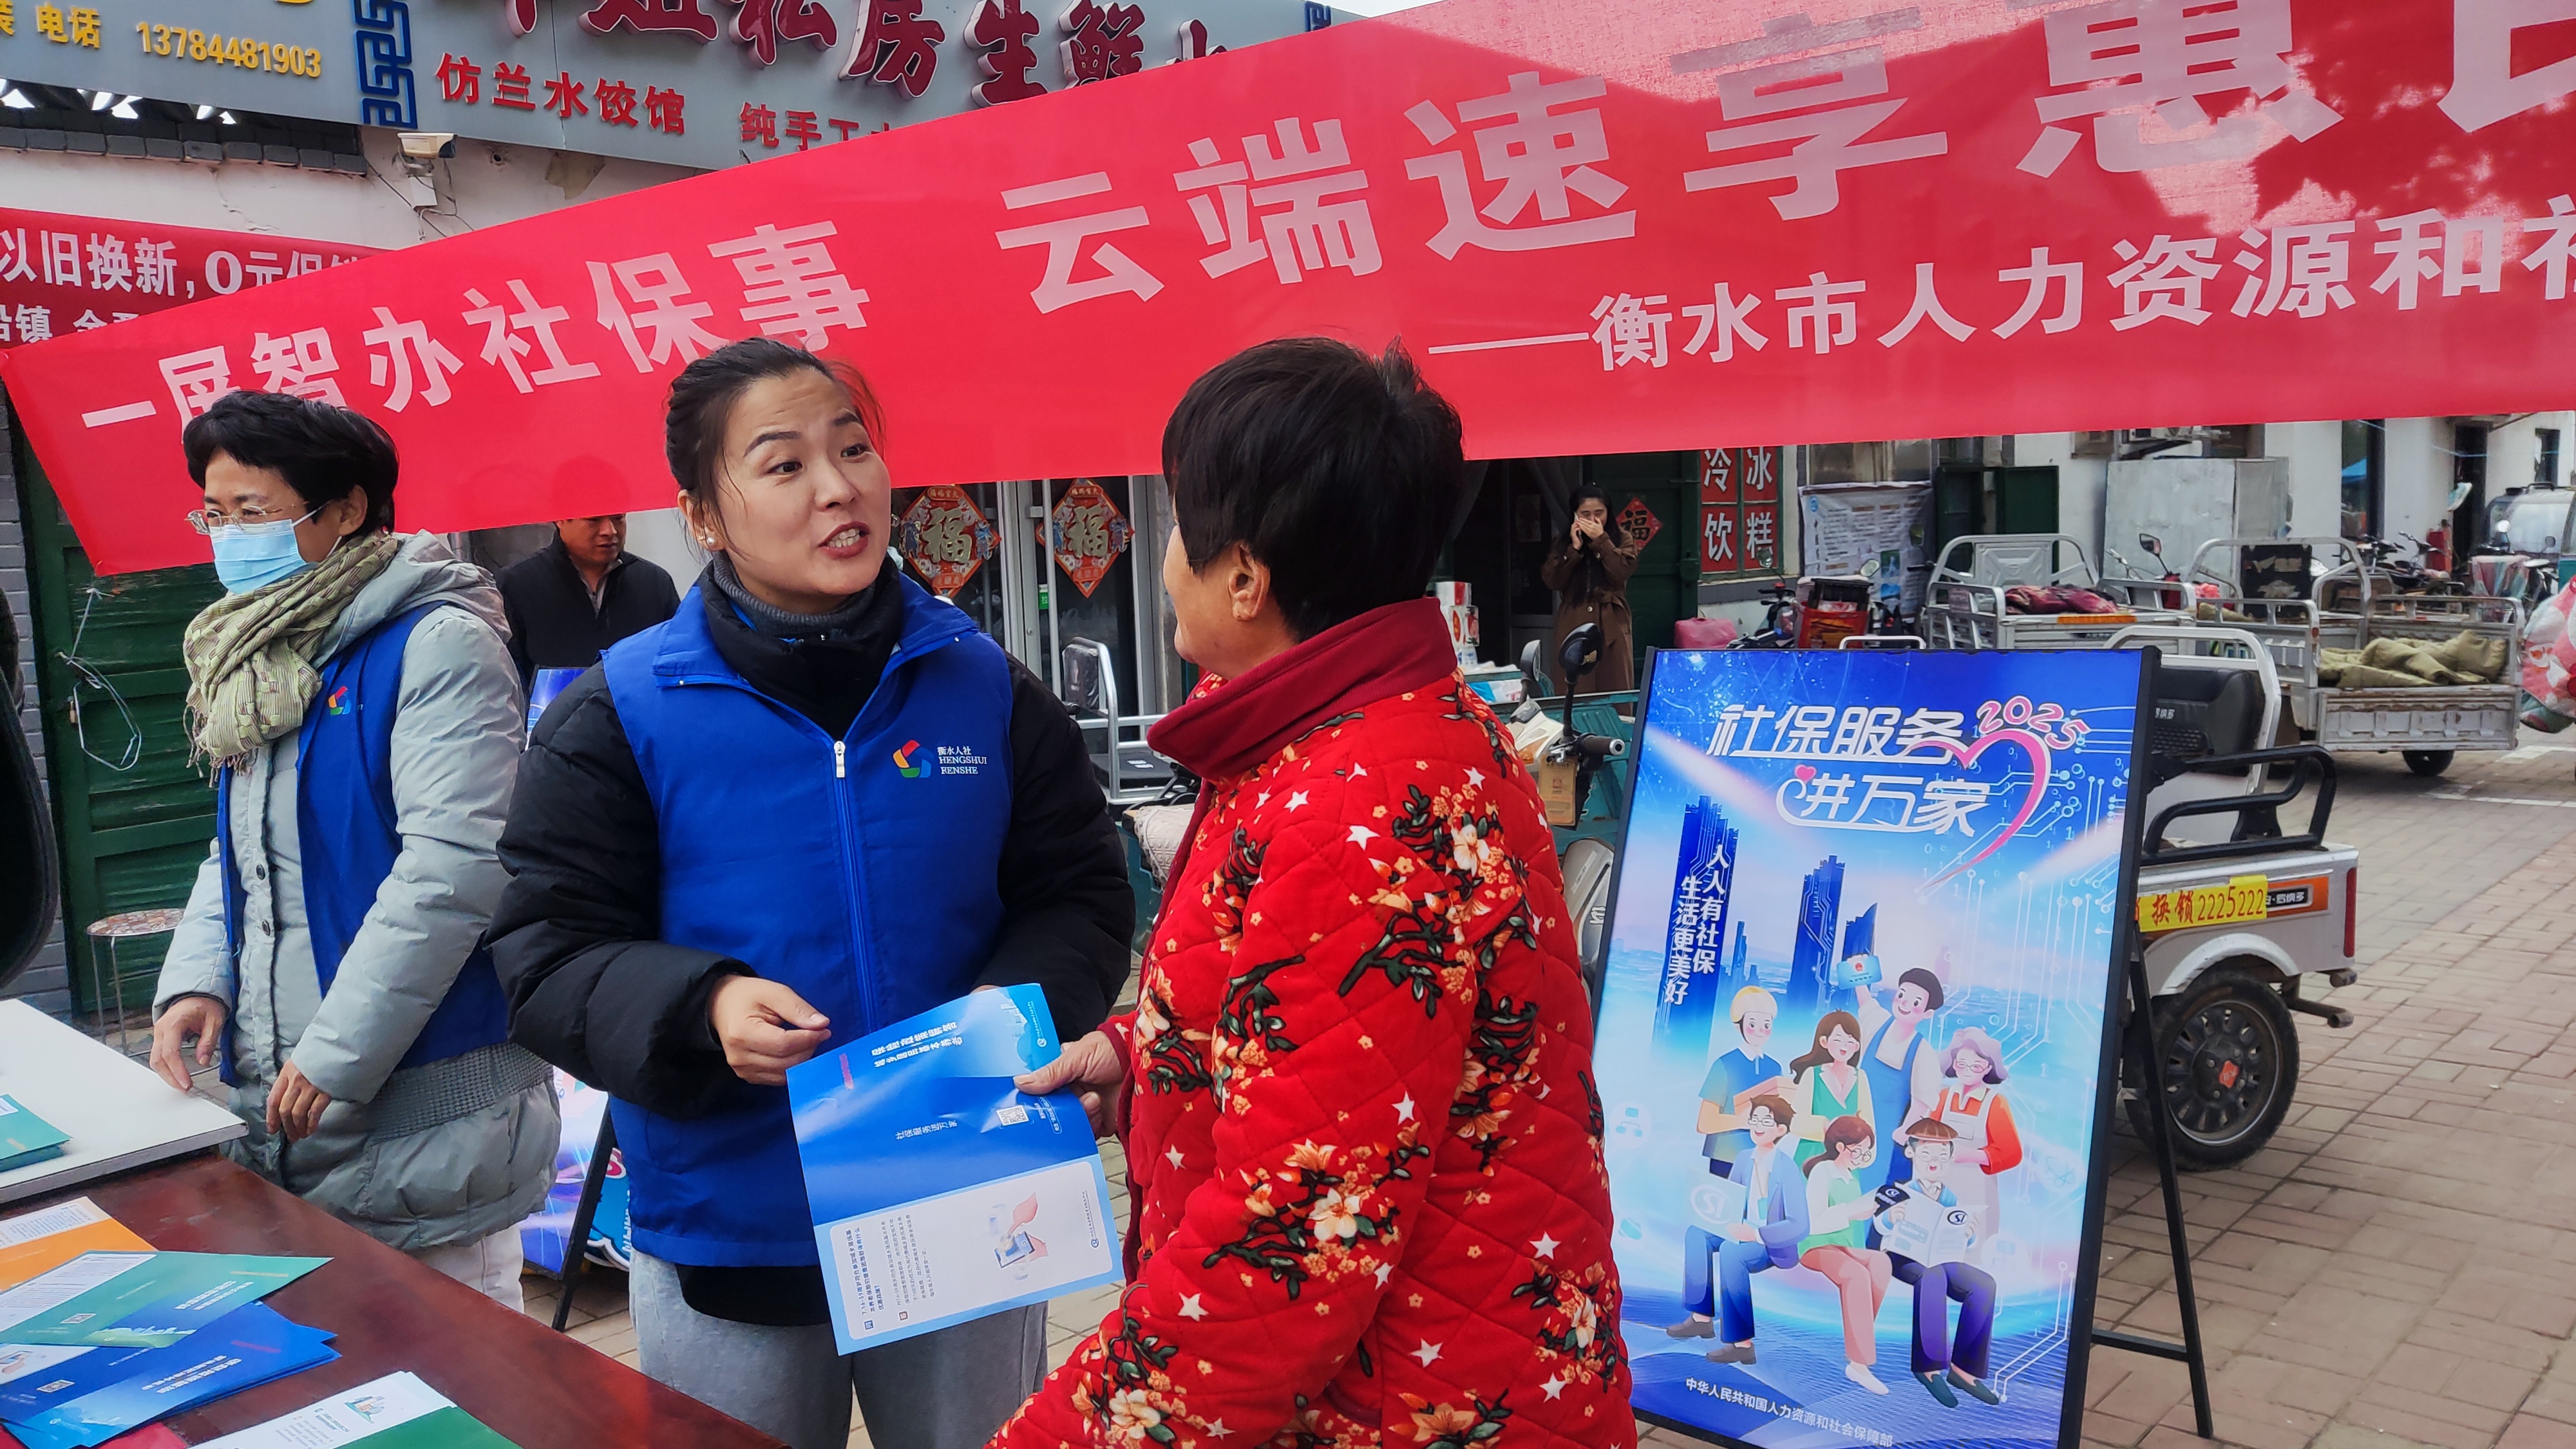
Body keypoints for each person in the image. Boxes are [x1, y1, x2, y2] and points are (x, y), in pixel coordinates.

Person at [487, 338, 1132, 1449]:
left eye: (854, 449)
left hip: (964, 1188)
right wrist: (702, 1005)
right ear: (702, 516)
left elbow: (1079, 893)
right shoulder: (620, 712)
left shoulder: (983, 685)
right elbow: (547, 952)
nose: (838, 488)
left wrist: (1013, 1008)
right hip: (734, 1223)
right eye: (784, 465)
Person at [998, 339, 1633, 1448]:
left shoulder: (1355, 800)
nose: (1165, 565)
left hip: (1402, 1406)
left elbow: (1286, 1243)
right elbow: (1349, 1040)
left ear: (1245, 577)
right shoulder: (1376, 732)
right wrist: (1153, 1052)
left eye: (1179, 529)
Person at [147, 389, 558, 1307]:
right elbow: (240, 851)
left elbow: (455, 869)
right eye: (214, 514)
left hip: (421, 1121)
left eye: (252, 512)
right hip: (289, 1114)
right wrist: (199, 978)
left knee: (461, 1371)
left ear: (346, 510)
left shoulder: (438, 643)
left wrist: (336, 1054)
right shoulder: (265, 654)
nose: (228, 536)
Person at [1873, 1119, 2002, 1409]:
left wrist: (1968, 1234)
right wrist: (1891, 1218)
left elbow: (1960, 1239)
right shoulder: (1899, 1190)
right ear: (1911, 1153)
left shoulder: (1950, 1196)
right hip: (1902, 1256)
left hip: (1940, 1258)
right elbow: (1878, 1225)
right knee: (1931, 1277)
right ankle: (1928, 1368)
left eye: (1943, 1156)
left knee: (1983, 1284)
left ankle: (1964, 1369)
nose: (1935, 1162)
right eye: (1927, 1154)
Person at [1671, 1095, 1806, 1364]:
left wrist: (1756, 1234)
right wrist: (1716, 1218)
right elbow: (1730, 1200)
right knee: (1696, 1233)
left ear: (1781, 1129)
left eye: (1766, 1121)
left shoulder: (1787, 1168)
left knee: (1731, 1253)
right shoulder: (1744, 1158)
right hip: (1739, 1229)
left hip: (1769, 1242)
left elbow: (1800, 1225)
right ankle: (1701, 1318)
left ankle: (1742, 1345)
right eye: (1755, 1119)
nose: (1758, 1125)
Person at [494, 513, 679, 691]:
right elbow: (507, 676)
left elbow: (676, 659)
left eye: (618, 518)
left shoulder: (654, 583)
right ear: (560, 519)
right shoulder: (517, 584)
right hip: (553, 711)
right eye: (594, 520)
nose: (610, 531)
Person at [1798, 1115, 1893, 1395]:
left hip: (1841, 1246)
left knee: (1880, 1262)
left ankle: (1858, 1339)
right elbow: (1813, 1222)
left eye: (1866, 1152)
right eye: (1859, 1151)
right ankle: (1859, 1365)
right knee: (1856, 1273)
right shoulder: (1823, 1171)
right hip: (1815, 1246)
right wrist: (1852, 1212)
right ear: (1841, 1147)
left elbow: (1850, 1223)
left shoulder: (1852, 1178)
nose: (1862, 1157)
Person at [1930, 1027, 2022, 1264]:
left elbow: (2012, 1152)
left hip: (1978, 1190)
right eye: (1962, 1064)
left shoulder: (1995, 1103)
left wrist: (1971, 1155)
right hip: (1941, 1185)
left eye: (1976, 1066)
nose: (1968, 1071)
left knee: (1973, 1253)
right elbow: (1927, 1135)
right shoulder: (1944, 1097)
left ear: (1989, 1068)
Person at [1540, 482, 1642, 692]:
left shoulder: (1622, 538)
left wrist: (1601, 541)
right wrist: (1574, 550)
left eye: (1599, 513)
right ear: (1575, 515)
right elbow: (1553, 581)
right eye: (1585, 514)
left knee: (1613, 682)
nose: (1593, 520)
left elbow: (1621, 573)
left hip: (1610, 619)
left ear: (1608, 512)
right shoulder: (1563, 541)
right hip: (1573, 618)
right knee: (1574, 685)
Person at [1857, 965, 1947, 1190]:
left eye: (1915, 1002)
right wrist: (1858, 973)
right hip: (1856, 1116)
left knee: (1874, 1185)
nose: (1905, 1004)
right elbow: (1866, 1002)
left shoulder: (1923, 1052)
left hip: (1888, 1131)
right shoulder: (1878, 1022)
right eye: (1902, 995)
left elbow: (1922, 1101)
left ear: (1927, 1013)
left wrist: (1905, 1130)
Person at [1698, 985, 1786, 1179]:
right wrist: (1742, 1121)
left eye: (1767, 1025)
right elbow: (1705, 1122)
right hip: (1726, 1158)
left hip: (1763, 1159)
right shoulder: (1724, 1065)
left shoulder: (1775, 1068)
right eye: (1753, 1024)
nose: (1760, 1031)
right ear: (1739, 1024)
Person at [1786, 1010, 1873, 1168]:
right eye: (1838, 1040)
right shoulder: (1813, 1074)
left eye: (1850, 1041)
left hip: (1848, 1160)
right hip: (1812, 1157)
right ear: (1824, 1042)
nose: (1844, 1046)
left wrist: (1865, 1157)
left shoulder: (1861, 1077)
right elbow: (1795, 1122)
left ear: (1856, 1046)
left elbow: (1868, 1123)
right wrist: (1826, 1126)